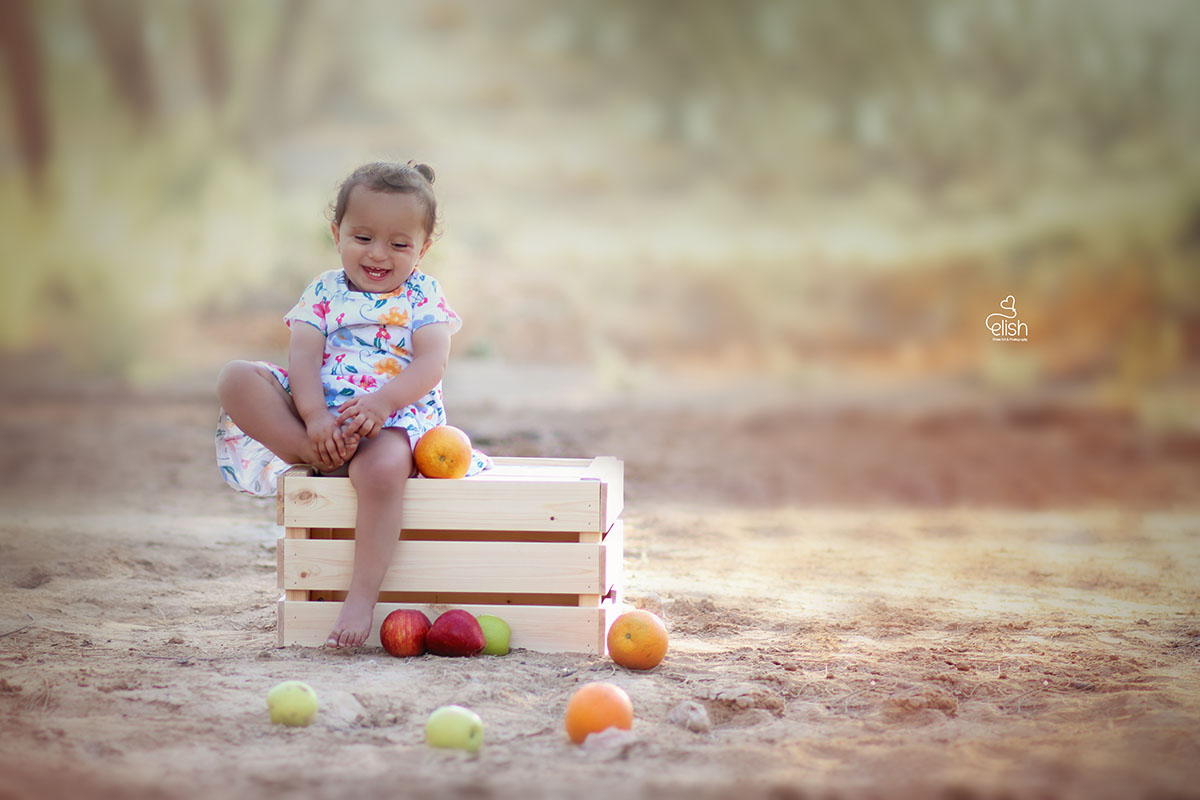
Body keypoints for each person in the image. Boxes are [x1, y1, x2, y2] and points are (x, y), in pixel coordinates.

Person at [214, 161, 489, 648]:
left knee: (382, 471)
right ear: (337, 232)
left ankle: (361, 595)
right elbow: (302, 357)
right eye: (363, 238)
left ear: (422, 249)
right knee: (236, 379)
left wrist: (383, 403)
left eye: (399, 244)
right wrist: (315, 416)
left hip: (393, 417)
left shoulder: (423, 294)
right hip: (319, 408)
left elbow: (431, 363)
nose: (379, 254)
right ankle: (315, 450)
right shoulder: (323, 290)